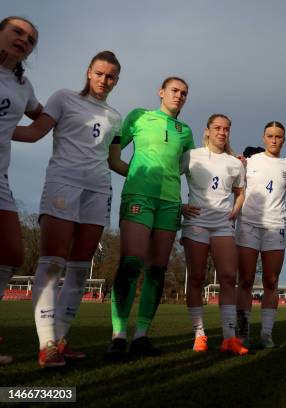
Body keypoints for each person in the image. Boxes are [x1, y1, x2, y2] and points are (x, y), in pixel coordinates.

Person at [13, 51, 121, 367]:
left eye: (111, 76)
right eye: (100, 73)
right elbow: (34, 133)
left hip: (99, 190)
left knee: (79, 267)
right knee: (52, 262)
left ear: (117, 80)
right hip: (63, 184)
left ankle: (60, 340)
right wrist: (5, 129)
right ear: (89, 72)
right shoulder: (64, 98)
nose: (104, 80)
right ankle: (46, 344)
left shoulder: (115, 116)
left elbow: (113, 161)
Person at [105, 77, 194, 360]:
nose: (179, 96)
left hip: (170, 202)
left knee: (157, 269)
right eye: (174, 91)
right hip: (138, 198)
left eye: (184, 93)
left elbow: (188, 167)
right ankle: (118, 336)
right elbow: (114, 156)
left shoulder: (185, 131)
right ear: (161, 92)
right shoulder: (138, 116)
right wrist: (135, 177)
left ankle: (141, 336)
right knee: (131, 262)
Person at [181, 114, 247, 355]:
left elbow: (240, 192)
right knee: (197, 277)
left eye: (226, 129)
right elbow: (167, 178)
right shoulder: (191, 156)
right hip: (196, 222)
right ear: (207, 130)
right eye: (217, 128)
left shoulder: (234, 163)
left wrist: (235, 210)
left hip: (222, 224)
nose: (222, 132)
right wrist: (180, 206)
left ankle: (229, 338)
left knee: (229, 277)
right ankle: (199, 335)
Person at [235, 121, 286, 349]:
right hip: (248, 225)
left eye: (278, 136)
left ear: (284, 139)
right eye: (270, 135)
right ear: (263, 137)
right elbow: (232, 183)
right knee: (245, 281)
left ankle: (266, 334)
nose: (274, 140)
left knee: (271, 282)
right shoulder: (249, 161)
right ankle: (242, 332)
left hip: (276, 227)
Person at [0, 16, 42, 365]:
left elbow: (39, 120)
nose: (24, 40)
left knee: (12, 252)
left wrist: (75, 113)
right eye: (17, 32)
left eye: (30, 40)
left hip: (0, 177)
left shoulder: (22, 85)